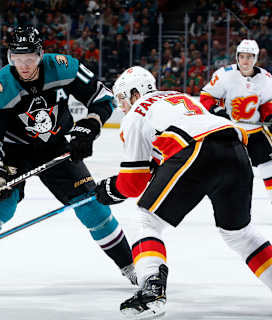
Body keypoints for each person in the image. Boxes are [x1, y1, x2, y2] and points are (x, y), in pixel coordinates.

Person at [0, 26, 136, 296]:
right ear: (9, 57)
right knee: (0, 205)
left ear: (40, 55)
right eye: (17, 59)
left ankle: (130, 264)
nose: (23, 65)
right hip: (13, 152)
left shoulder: (64, 66)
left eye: (29, 59)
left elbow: (103, 98)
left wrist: (89, 126)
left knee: (92, 205)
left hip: (56, 147)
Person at [94, 66, 272, 319]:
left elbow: (134, 183)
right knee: (240, 234)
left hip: (198, 151)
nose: (121, 107)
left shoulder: (136, 113)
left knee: (147, 219)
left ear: (135, 93)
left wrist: (110, 190)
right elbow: (160, 161)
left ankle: (152, 289)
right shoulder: (178, 97)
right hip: (235, 149)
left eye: (122, 99)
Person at [200, 39, 272, 204]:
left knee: (269, 166)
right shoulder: (224, 75)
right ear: (237, 57)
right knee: (225, 169)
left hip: (255, 132)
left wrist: (269, 117)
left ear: (255, 58)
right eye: (242, 56)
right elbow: (206, 96)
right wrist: (218, 112)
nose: (245, 61)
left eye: (249, 57)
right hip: (231, 131)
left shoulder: (266, 78)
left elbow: (268, 103)